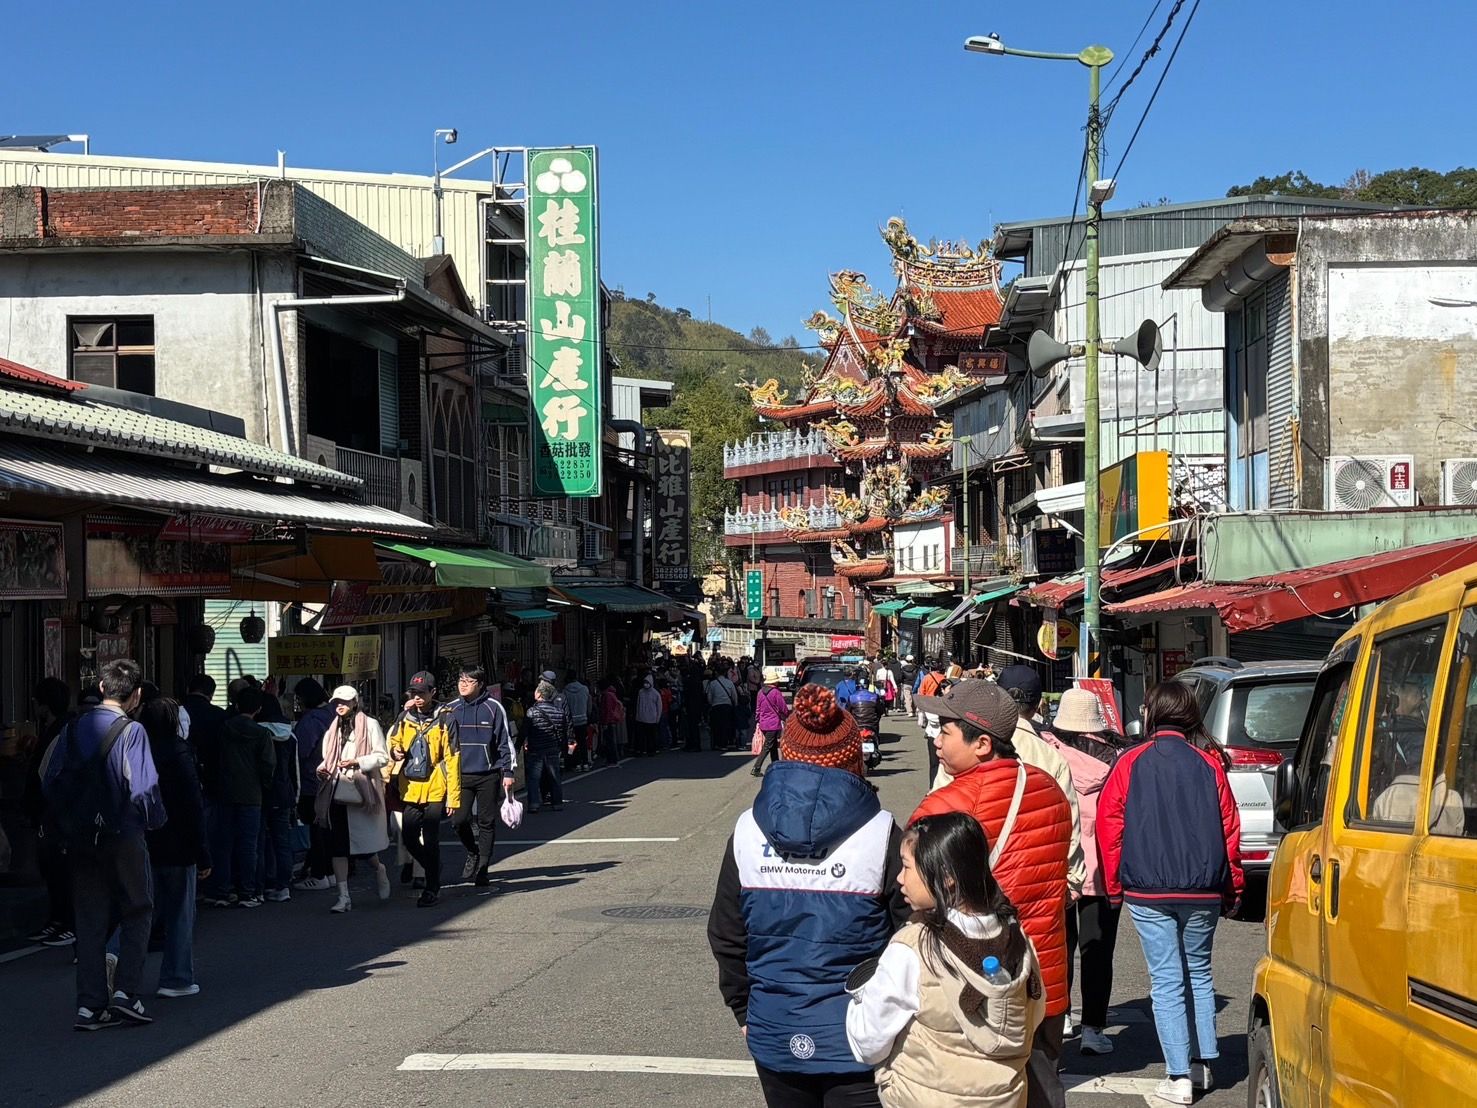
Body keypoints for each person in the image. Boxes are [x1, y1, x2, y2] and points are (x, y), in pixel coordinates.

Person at [709, 684, 910, 1107]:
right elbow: (911, 937)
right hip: (863, 1036)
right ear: (855, 758)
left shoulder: (747, 830)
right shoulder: (882, 833)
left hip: (774, 1027)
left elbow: (727, 934)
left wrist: (744, 1011)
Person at [910, 680, 1074, 1108]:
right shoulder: (1049, 789)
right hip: (1043, 977)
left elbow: (914, 891)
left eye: (945, 730)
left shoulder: (944, 807)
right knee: (1041, 1087)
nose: (936, 739)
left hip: (972, 984)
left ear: (982, 743)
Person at [1097, 682, 1244, 1107]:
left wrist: (1112, 889)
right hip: (1203, 888)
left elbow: (1110, 828)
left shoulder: (1130, 762)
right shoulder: (1209, 764)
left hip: (1147, 887)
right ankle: (1201, 1063)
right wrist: (1232, 887)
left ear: (1153, 714)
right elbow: (1230, 831)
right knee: (1198, 972)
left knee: (1166, 980)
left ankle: (1178, 1075)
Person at [846, 812, 1045, 1107]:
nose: (900, 879)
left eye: (907, 866)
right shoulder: (1018, 942)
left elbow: (867, 1043)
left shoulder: (914, 948)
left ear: (947, 877)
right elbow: (1034, 1015)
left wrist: (858, 1003)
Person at [42, 658, 164, 1031]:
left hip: (80, 836)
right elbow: (143, 789)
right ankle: (126, 993)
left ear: (100, 688)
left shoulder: (73, 727)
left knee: (90, 918)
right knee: (138, 909)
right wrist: (156, 821)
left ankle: (89, 1005)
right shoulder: (132, 732)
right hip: (123, 832)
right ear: (137, 695)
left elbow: (49, 775)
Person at [1043, 688, 1121, 1057]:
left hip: (1058, 862)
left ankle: (1064, 1015)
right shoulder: (1114, 760)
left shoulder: (1048, 754)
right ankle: (1094, 1027)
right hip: (1102, 868)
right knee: (1098, 949)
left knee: (1060, 946)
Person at [992, 666, 1086, 906]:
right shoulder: (1051, 756)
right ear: (1037, 706)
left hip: (980, 881)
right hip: (1039, 880)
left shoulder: (971, 744)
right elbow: (1068, 823)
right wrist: (1072, 880)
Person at [138, 695, 210, 998]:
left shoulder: (135, 750)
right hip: (178, 843)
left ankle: (113, 963)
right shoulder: (180, 752)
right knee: (180, 911)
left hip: (140, 841)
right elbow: (193, 806)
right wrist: (203, 852)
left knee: (137, 910)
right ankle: (176, 977)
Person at [315, 686, 391, 914]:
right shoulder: (332, 727)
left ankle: (380, 870)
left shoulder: (370, 724)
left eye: (345, 701)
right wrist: (323, 769)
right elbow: (326, 758)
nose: (340, 705)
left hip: (361, 792)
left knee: (365, 848)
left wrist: (358, 762)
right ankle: (343, 896)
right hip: (336, 792)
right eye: (337, 701)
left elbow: (382, 757)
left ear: (355, 702)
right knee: (338, 847)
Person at [387, 672, 461, 907]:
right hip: (409, 786)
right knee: (408, 836)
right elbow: (394, 741)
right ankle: (432, 867)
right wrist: (395, 751)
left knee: (431, 837)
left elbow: (453, 758)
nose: (417, 698)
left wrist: (453, 798)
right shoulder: (405, 717)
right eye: (414, 693)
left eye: (422, 693)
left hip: (437, 786)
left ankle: (432, 888)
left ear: (433, 693)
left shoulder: (446, 718)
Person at [203, 686, 275, 909]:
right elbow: (268, 765)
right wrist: (266, 787)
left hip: (225, 792)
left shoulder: (225, 728)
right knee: (249, 845)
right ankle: (247, 892)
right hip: (252, 795)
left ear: (236, 705)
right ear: (259, 709)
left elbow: (215, 758)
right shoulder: (262, 733)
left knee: (223, 844)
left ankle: (223, 891)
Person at [444, 665, 516, 887]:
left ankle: (483, 868)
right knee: (458, 820)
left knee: (486, 822)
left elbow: (504, 741)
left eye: (469, 681)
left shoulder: (494, 708)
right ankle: (473, 852)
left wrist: (508, 771)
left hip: (488, 774)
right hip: (460, 775)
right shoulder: (450, 709)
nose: (463, 684)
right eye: (460, 680)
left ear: (480, 684)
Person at [23, 678, 74, 948]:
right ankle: (57, 920)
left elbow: (49, 774)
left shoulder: (62, 730)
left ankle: (66, 922)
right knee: (51, 868)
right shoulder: (56, 728)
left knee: (59, 868)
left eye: (36, 700)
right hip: (51, 811)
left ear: (44, 704)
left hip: (55, 811)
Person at [291, 679, 337, 891]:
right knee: (328, 829)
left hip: (311, 781)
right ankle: (328, 871)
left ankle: (319, 874)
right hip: (333, 780)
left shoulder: (310, 721)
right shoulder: (332, 715)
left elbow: (300, 752)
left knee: (316, 829)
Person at [255, 693, 298, 904]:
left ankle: (262, 885)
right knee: (282, 841)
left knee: (260, 841)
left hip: (259, 793)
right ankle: (283, 886)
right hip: (283, 793)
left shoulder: (256, 733)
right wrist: (295, 797)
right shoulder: (290, 735)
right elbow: (294, 770)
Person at [523, 679, 570, 813]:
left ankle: (533, 804)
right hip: (552, 748)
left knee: (533, 778)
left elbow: (524, 731)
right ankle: (557, 803)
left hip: (535, 749)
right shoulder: (559, 712)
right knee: (554, 776)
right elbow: (563, 733)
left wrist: (518, 745)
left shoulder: (531, 712)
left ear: (539, 694)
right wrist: (564, 749)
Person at [749, 673, 790, 777]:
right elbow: (783, 708)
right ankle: (756, 768)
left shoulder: (760, 692)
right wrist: (786, 717)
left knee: (772, 746)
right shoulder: (776, 692)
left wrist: (758, 720)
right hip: (773, 723)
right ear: (775, 682)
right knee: (768, 746)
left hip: (763, 723)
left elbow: (758, 709)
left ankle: (775, 766)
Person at [562, 669, 593, 771]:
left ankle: (575, 763)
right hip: (582, 719)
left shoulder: (565, 691)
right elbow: (589, 705)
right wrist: (588, 714)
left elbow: (563, 707)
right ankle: (585, 763)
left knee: (571, 743)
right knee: (582, 742)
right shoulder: (584, 689)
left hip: (570, 721)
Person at [706, 665, 739, 752]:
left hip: (716, 706)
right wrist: (735, 705)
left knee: (717, 726)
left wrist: (711, 703)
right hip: (727, 706)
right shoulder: (729, 683)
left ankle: (718, 743)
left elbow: (709, 697)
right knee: (726, 725)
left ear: (716, 673)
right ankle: (725, 743)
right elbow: (734, 695)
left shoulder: (712, 683)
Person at [634, 675, 663, 757]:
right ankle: (642, 750)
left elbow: (659, 706)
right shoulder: (641, 692)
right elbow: (638, 705)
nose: (646, 684)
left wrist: (658, 717)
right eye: (645, 682)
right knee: (642, 736)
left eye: (647, 682)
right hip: (642, 717)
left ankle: (651, 750)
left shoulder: (655, 694)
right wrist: (638, 715)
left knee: (651, 736)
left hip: (652, 718)